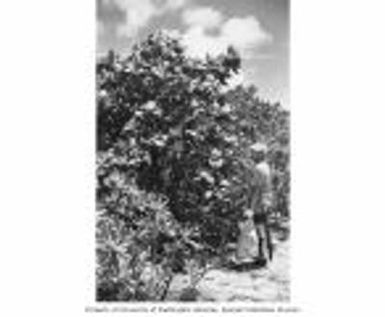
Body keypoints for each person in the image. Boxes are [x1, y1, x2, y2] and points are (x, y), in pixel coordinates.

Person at [248, 142, 274, 264]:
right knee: (264, 226)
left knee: (259, 227)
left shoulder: (258, 168)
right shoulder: (265, 166)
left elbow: (256, 188)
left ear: (259, 155)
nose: (251, 155)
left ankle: (262, 256)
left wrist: (251, 205)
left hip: (259, 200)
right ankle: (268, 253)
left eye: (253, 153)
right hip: (266, 199)